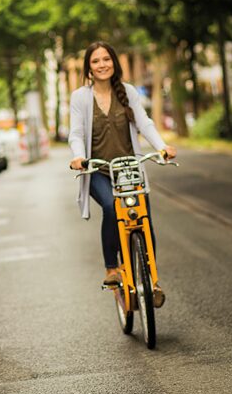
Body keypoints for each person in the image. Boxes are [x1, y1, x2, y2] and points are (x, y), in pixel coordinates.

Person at [67, 41, 177, 307]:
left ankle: (152, 280)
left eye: (106, 59)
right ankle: (111, 269)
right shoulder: (81, 97)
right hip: (98, 171)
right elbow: (76, 133)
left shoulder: (127, 92)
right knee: (112, 207)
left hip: (129, 171)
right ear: (88, 67)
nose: (102, 64)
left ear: (114, 63)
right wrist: (79, 157)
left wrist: (162, 147)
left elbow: (144, 123)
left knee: (144, 220)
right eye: (96, 61)